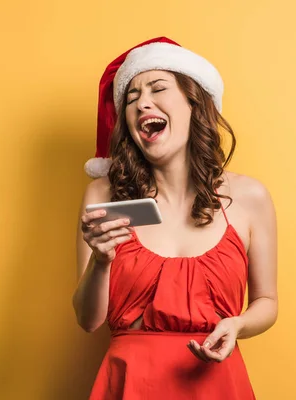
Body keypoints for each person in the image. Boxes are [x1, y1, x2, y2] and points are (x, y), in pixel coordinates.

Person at [73, 37, 278, 399]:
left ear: (193, 103)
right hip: (131, 383)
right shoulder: (104, 195)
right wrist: (101, 263)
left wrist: (238, 325)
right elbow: (89, 321)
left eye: (158, 88)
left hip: (218, 384)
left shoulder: (250, 197)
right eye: (131, 98)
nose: (142, 102)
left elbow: (267, 302)